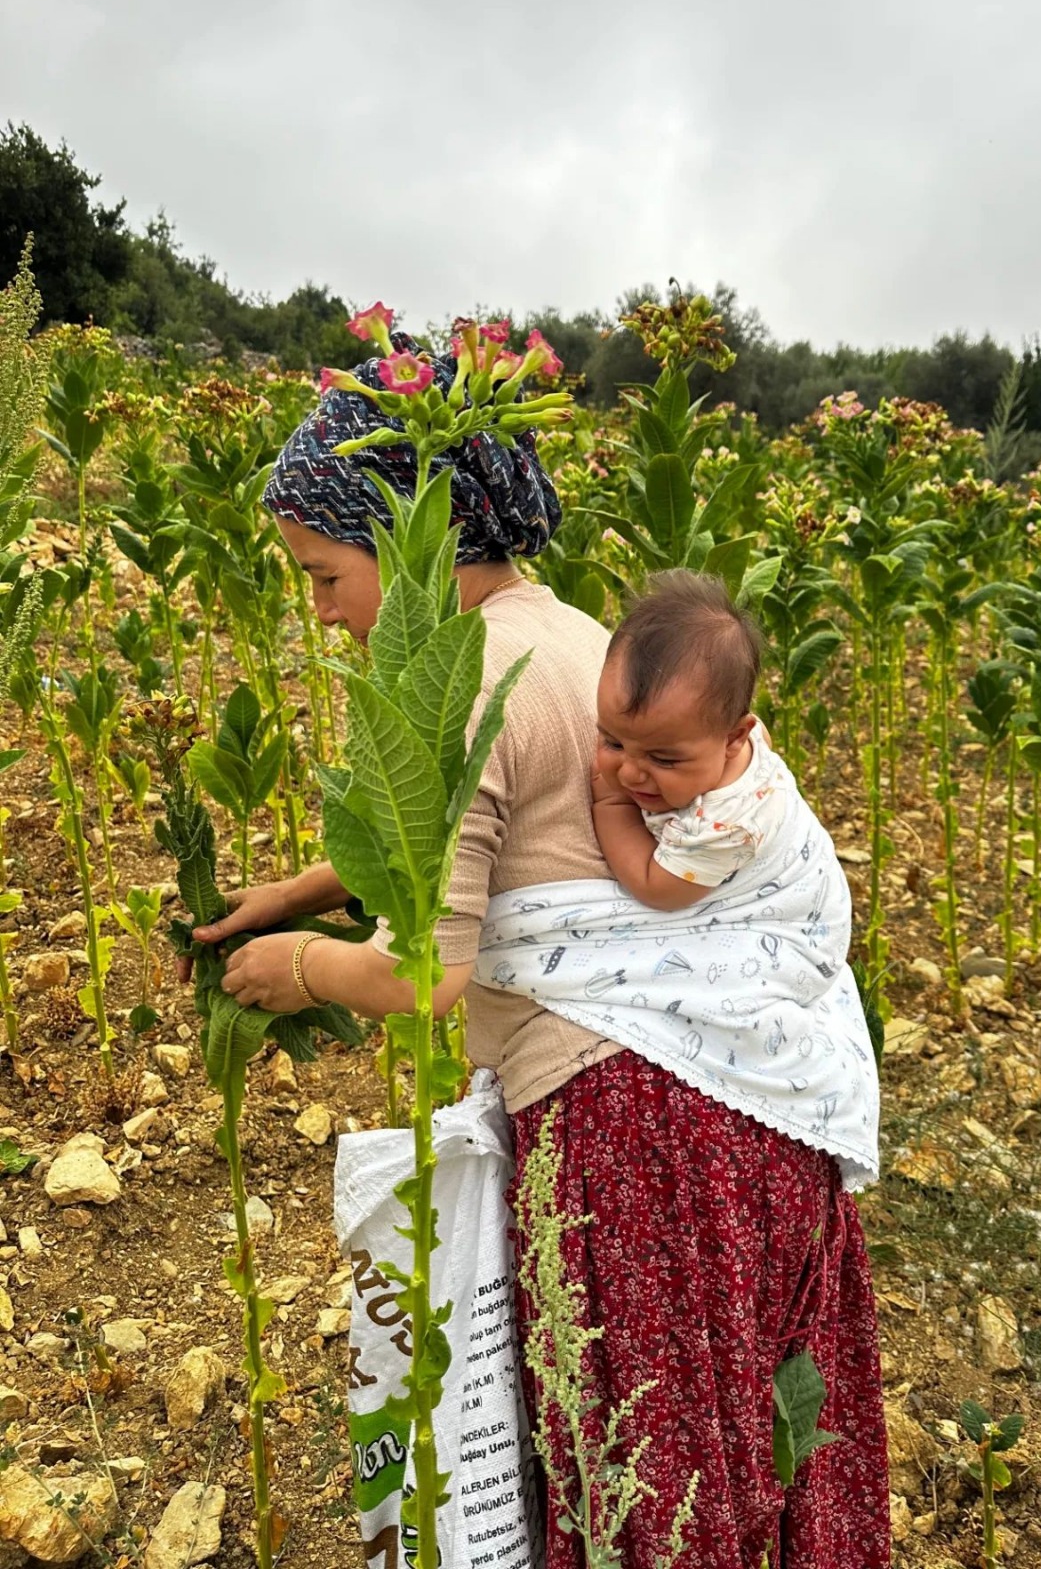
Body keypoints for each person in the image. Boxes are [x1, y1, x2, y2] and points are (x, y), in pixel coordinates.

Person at [196, 347, 891, 1569]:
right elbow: (485, 822)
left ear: (400, 531)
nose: (319, 609)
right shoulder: (569, 629)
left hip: (635, 1125)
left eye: (322, 573)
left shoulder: (459, 679)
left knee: (652, 1490)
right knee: (745, 1456)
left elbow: (426, 976)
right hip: (749, 1103)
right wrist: (313, 882)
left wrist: (298, 964)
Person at [591, 569, 785, 909]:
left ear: (734, 738)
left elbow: (657, 889)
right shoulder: (735, 739)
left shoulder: (720, 827)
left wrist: (612, 805)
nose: (629, 774)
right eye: (613, 743)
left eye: (663, 759)